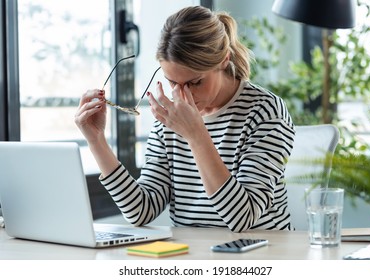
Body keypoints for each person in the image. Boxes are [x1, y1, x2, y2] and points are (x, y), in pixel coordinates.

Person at [75, 6, 295, 233]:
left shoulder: (265, 111)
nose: (183, 96)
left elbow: (242, 217)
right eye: (172, 82)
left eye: (195, 82)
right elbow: (140, 210)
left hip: (258, 255)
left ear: (223, 60)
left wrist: (196, 135)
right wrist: (97, 141)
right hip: (191, 255)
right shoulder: (170, 118)